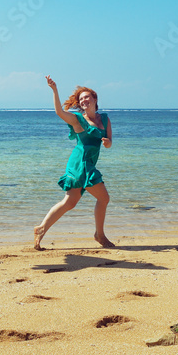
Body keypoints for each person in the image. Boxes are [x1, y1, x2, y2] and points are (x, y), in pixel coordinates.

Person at [34, 76, 115, 250]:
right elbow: (59, 113)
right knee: (104, 197)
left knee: (69, 202)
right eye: (81, 99)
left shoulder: (105, 119)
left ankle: (41, 229)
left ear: (94, 99)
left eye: (87, 97)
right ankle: (99, 235)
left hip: (88, 163)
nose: (84, 100)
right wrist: (55, 90)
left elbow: (108, 141)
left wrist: (107, 143)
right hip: (80, 164)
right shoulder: (78, 119)